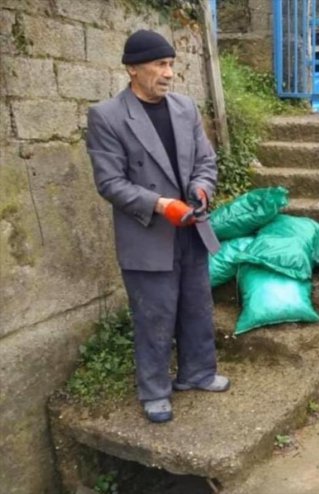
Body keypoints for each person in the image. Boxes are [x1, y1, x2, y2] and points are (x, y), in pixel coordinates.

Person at [86, 30, 229, 424]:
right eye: (159, 65)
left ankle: (197, 373)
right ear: (133, 69)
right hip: (148, 233)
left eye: (171, 64)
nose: (169, 73)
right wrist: (161, 205)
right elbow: (110, 183)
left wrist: (201, 189)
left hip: (191, 227)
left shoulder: (185, 108)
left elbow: (206, 161)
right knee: (154, 315)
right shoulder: (108, 116)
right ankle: (154, 390)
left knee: (197, 305)